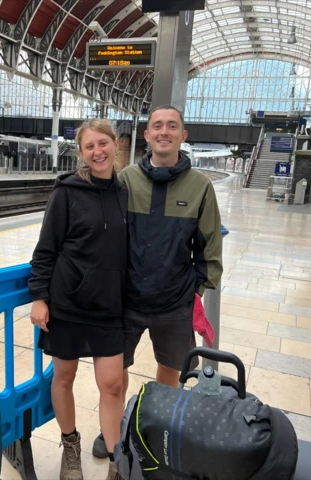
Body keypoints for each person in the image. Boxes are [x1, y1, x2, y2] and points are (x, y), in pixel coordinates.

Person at [92, 104, 224, 458]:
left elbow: (210, 249)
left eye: (172, 126)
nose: (164, 132)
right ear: (147, 135)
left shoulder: (200, 187)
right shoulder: (126, 181)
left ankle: (155, 427)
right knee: (114, 374)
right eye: (157, 126)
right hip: (125, 301)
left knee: (172, 370)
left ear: (183, 135)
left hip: (174, 305)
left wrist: (191, 290)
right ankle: (114, 428)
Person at [28, 119, 128, 480]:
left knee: (113, 383)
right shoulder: (66, 192)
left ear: (117, 146)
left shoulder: (125, 192)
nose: (98, 151)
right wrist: (39, 297)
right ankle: (70, 445)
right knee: (64, 376)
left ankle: (118, 459)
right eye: (90, 146)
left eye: (104, 143)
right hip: (67, 303)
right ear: (81, 153)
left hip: (109, 306)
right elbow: (45, 250)